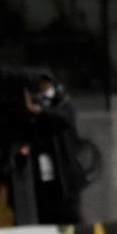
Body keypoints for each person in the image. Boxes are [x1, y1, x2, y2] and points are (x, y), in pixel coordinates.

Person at [24, 72, 85, 225]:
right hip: (45, 164)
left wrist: (39, 110)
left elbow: (62, 118)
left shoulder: (61, 102)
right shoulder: (37, 101)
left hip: (64, 167)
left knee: (68, 208)